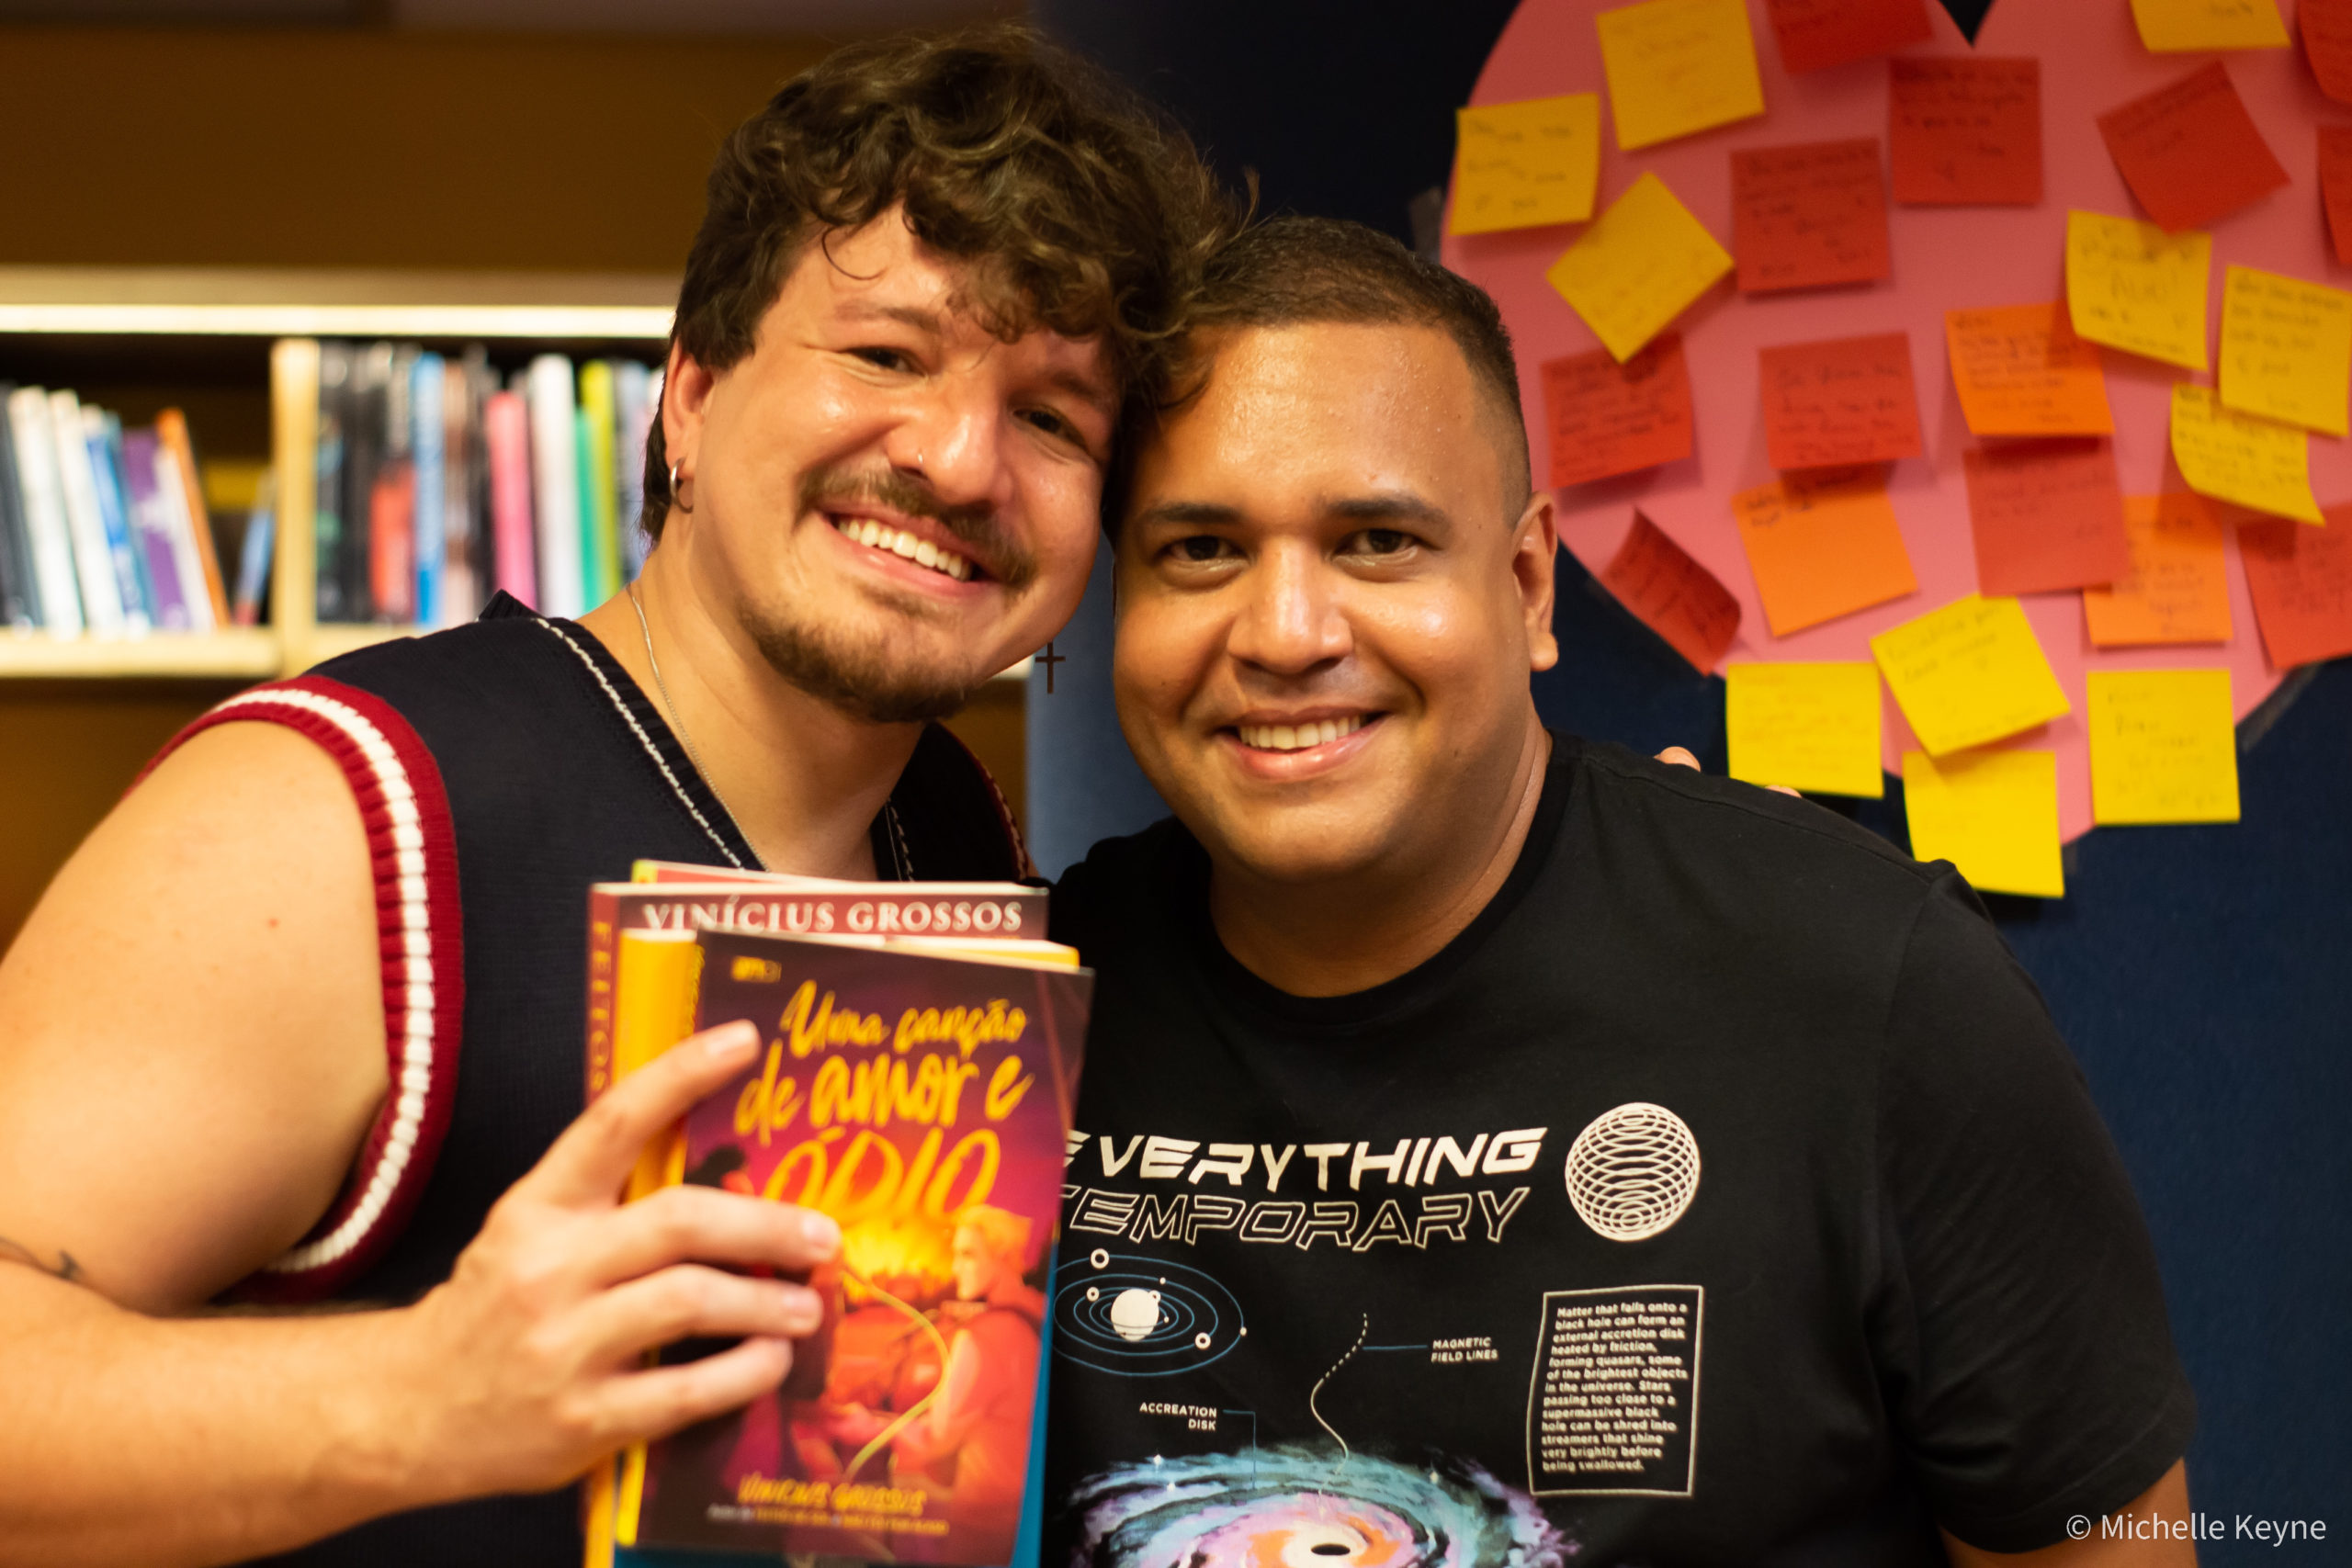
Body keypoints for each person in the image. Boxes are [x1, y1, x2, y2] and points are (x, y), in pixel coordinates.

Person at [0, 27, 1233, 1568]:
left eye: (1053, 416)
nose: (961, 459)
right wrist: (420, 1391)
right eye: (886, 354)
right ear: (692, 396)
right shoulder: (339, 813)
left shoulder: (953, 827)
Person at [1042, 217, 2199, 1566]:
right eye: (1199, 549)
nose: (1287, 633)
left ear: (1528, 583)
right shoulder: (1023, 1004)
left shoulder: (1864, 988)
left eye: (1378, 540)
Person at [830, 1205, 1046, 1552]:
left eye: (968, 1255)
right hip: (1031, 1512)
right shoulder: (1042, 1314)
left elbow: (934, 1438)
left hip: (983, 1524)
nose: (955, 1267)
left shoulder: (984, 1337)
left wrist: (865, 1425)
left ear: (1005, 1257)